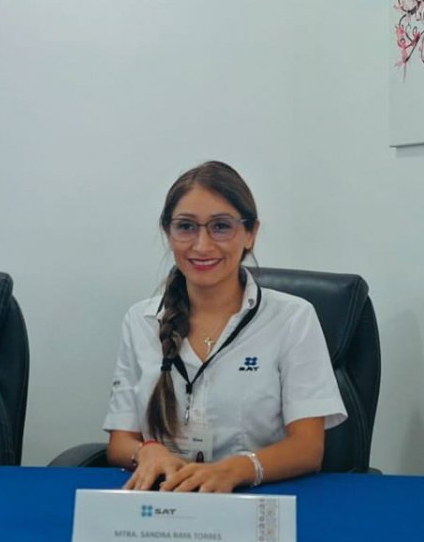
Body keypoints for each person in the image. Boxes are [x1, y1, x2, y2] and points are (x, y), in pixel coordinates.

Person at [103, 161, 346, 493]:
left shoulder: (293, 319)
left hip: (259, 498)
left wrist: (237, 469)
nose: (202, 245)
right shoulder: (141, 320)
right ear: (168, 233)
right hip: (164, 501)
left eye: (221, 226)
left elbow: (308, 448)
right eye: (186, 227)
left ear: (250, 233)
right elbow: (120, 441)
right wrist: (147, 451)